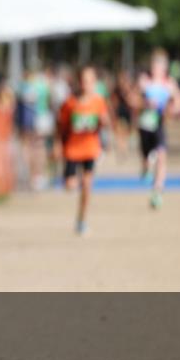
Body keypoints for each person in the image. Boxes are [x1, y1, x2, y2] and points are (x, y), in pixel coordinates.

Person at [56, 65, 110, 235]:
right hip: (72, 150)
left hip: (90, 149)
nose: (86, 84)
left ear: (94, 82)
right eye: (83, 80)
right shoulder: (70, 103)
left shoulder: (99, 101)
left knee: (87, 187)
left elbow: (105, 122)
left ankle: (81, 220)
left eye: (89, 81)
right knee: (70, 186)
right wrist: (58, 145)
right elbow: (61, 126)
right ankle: (73, 179)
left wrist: (103, 122)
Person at [133, 49, 180, 209]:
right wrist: (145, 104)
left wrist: (172, 109)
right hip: (144, 126)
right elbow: (132, 99)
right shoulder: (144, 81)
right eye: (155, 64)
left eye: (160, 65)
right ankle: (146, 168)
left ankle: (157, 191)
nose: (157, 68)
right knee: (146, 159)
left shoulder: (169, 84)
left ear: (165, 67)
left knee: (162, 157)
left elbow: (179, 102)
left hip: (159, 125)